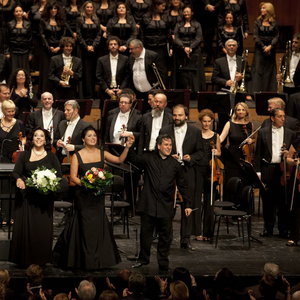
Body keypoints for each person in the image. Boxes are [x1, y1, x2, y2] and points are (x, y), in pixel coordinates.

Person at [53, 126, 135, 269]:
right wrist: (87, 184)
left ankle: (99, 258)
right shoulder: (77, 155)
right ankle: (83, 258)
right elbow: (73, 177)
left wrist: (127, 147)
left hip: (97, 196)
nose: (92, 138)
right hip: (84, 195)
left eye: (94, 136)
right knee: (84, 225)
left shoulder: (102, 153)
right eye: (89, 136)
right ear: (83, 139)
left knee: (98, 224)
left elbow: (119, 159)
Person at [131, 134, 192, 272]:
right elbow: (133, 158)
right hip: (149, 204)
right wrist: (129, 146)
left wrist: (187, 204)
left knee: (165, 236)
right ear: (158, 146)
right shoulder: (148, 158)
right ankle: (143, 259)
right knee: (145, 234)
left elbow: (183, 185)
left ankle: (163, 262)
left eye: (170, 145)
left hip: (165, 205)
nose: (168, 147)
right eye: (165, 145)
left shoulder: (175, 164)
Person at [10, 127, 63, 267]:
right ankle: (25, 259)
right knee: (27, 230)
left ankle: (41, 259)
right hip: (27, 199)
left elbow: (59, 176)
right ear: (32, 139)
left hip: (44, 200)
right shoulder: (24, 155)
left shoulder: (52, 156)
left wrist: (50, 184)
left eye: (41, 136)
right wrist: (19, 180)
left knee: (42, 230)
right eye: (36, 136)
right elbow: (16, 173)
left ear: (45, 140)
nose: (38, 138)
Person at [159, 104, 203, 249]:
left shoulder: (195, 131)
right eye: (175, 115)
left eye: (180, 115)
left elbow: (201, 152)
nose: (177, 118)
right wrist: (168, 155)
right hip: (170, 172)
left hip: (188, 172)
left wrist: (191, 157)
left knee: (187, 205)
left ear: (186, 116)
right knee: (168, 205)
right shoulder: (165, 130)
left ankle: (185, 239)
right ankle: (166, 237)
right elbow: (158, 149)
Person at [255, 108, 295, 237]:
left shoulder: (290, 133)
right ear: (272, 118)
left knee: (283, 201)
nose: (283, 119)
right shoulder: (263, 132)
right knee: (268, 201)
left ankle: (283, 229)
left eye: (284, 116)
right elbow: (258, 154)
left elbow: (295, 153)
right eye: (279, 116)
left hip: (283, 170)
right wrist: (258, 172)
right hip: (268, 168)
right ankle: (268, 228)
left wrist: (288, 155)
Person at [220, 102, 253, 202]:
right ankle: (230, 207)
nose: (241, 112)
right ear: (235, 111)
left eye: (243, 110)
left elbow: (254, 140)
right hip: (232, 157)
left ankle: (242, 208)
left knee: (244, 183)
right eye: (238, 110)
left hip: (245, 157)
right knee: (231, 182)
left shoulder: (250, 124)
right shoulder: (230, 123)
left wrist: (252, 141)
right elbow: (221, 138)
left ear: (246, 111)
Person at [197, 109, 221, 241]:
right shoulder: (196, 134)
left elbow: (219, 152)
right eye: (204, 121)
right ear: (201, 122)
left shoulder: (215, 136)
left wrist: (215, 152)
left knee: (209, 203)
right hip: (198, 170)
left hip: (211, 172)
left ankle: (208, 232)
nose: (206, 124)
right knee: (196, 202)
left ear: (212, 122)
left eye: (209, 121)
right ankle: (196, 231)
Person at [173, 5, 205, 92]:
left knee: (194, 74)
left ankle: (195, 93)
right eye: (185, 11)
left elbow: (198, 38)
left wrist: (190, 47)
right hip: (181, 51)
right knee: (182, 74)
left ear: (192, 13)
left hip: (194, 51)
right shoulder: (178, 24)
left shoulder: (197, 24)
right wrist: (183, 47)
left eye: (188, 11)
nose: (186, 13)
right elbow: (176, 37)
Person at [39, 1, 66, 95]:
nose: (53, 10)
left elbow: (63, 35)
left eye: (55, 8)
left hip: (58, 49)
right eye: (51, 8)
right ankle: (45, 93)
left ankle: (57, 93)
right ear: (48, 10)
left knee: (57, 70)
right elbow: (42, 36)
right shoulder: (43, 21)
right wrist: (48, 47)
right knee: (46, 71)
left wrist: (59, 47)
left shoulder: (61, 21)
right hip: (46, 50)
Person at [251, 2, 278, 93]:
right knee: (258, 71)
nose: (261, 10)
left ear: (269, 10)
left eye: (263, 8)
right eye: (261, 8)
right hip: (260, 49)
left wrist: (270, 46)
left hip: (271, 50)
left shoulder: (274, 22)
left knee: (269, 71)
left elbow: (276, 36)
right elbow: (255, 36)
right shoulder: (257, 22)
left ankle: (268, 92)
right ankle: (256, 93)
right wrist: (264, 47)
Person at [76, 1, 102, 99]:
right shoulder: (79, 19)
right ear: (84, 8)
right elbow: (78, 34)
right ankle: (85, 95)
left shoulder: (96, 19)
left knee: (93, 71)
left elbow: (99, 35)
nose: (89, 9)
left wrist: (93, 46)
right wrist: (86, 46)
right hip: (83, 49)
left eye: (91, 7)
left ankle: (93, 94)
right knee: (84, 72)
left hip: (94, 50)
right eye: (87, 7)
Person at [141, 0, 170, 83]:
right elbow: (142, 33)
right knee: (149, 69)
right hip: (149, 47)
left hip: (162, 48)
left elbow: (168, 32)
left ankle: (162, 91)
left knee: (162, 70)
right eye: (162, 6)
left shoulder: (165, 17)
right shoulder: (146, 17)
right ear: (156, 6)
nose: (164, 8)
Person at [96, 36, 130, 104]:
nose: (113, 46)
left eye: (115, 44)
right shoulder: (101, 60)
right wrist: (107, 90)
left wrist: (122, 89)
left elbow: (127, 76)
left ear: (118, 46)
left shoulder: (125, 59)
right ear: (108, 47)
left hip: (121, 91)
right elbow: (98, 76)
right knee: (105, 112)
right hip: (105, 91)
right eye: (111, 44)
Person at [6, 5, 32, 77]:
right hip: (13, 51)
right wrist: (7, 52)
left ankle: (26, 87)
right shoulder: (9, 24)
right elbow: (6, 39)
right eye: (16, 11)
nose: (18, 13)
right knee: (13, 72)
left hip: (25, 51)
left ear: (22, 12)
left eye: (20, 11)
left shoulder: (28, 24)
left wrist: (30, 53)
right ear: (14, 13)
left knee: (25, 71)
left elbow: (30, 40)